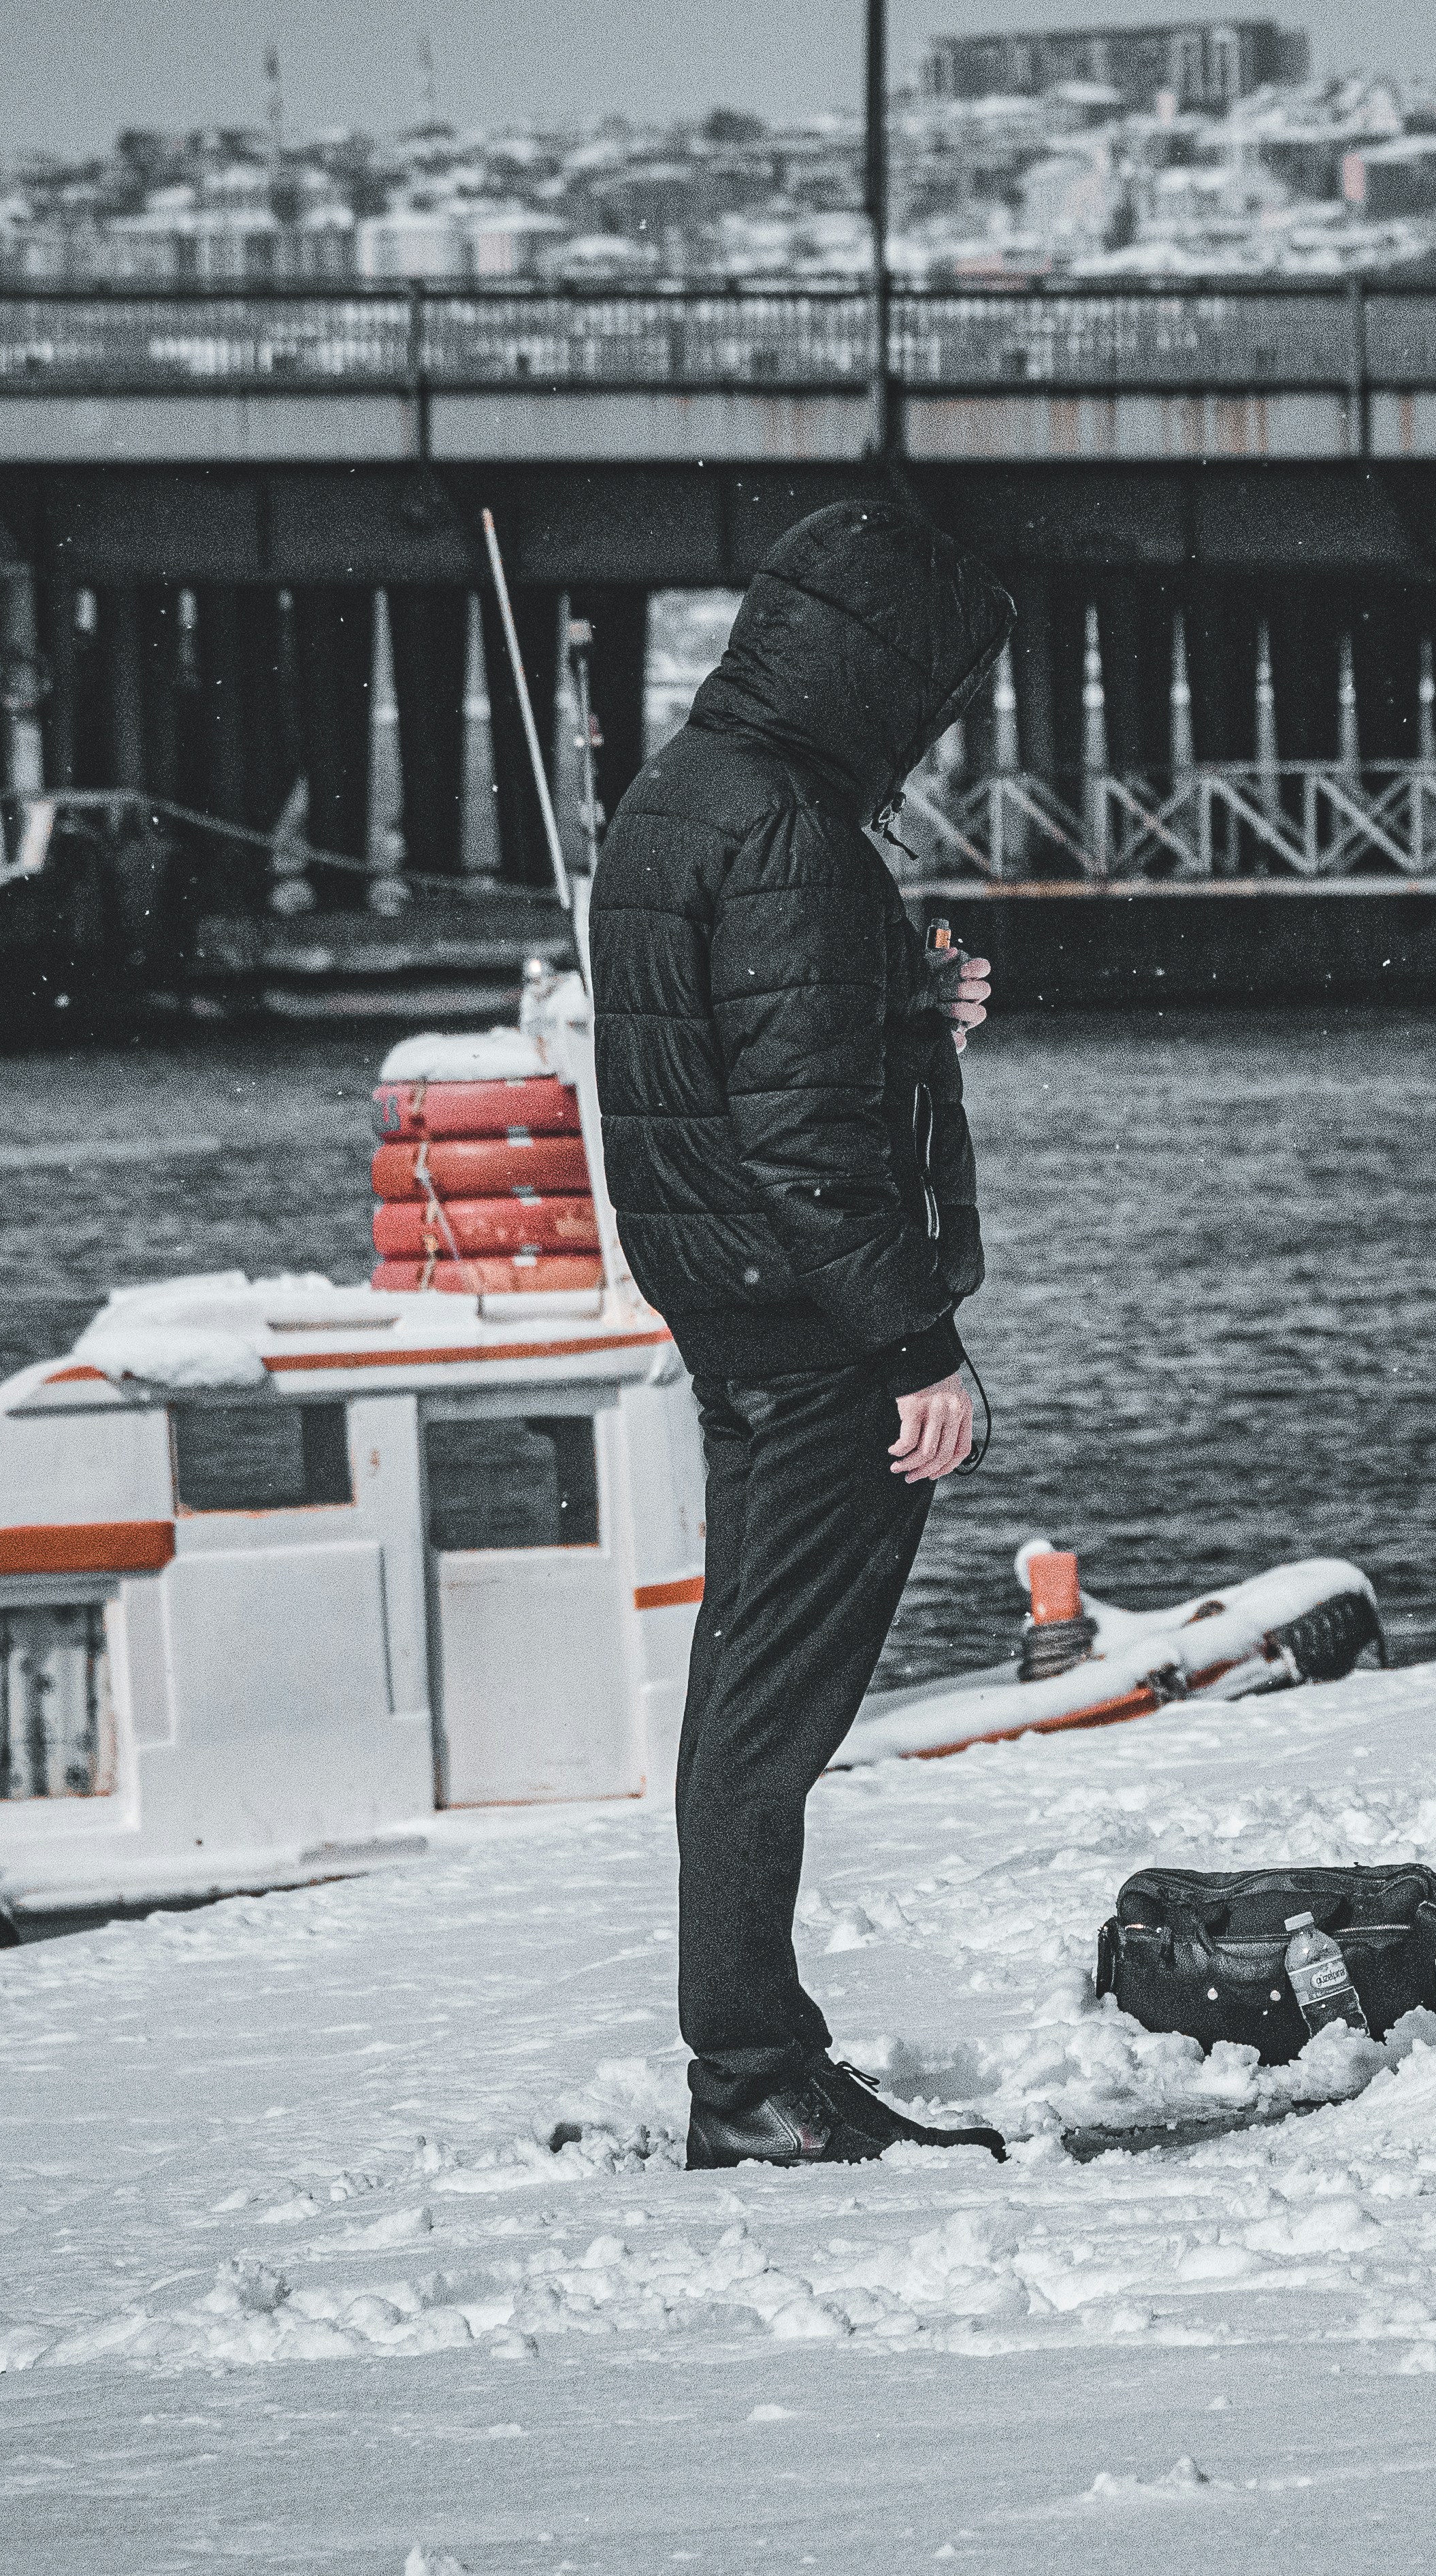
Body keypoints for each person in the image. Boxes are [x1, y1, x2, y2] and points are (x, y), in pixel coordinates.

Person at [591, 500, 1016, 2170]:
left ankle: (751, 2063)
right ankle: (754, 2077)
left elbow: (720, 1054)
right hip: (824, 1338)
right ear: (880, 674)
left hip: (734, 1326)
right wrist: (921, 1350)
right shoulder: (792, 833)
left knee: (737, 1705)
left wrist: (904, 996)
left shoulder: (679, 799)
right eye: (936, 694)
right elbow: (806, 1147)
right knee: (772, 1723)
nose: (938, 731)